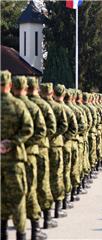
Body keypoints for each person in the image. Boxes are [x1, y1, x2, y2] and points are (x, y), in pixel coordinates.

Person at [12, 76, 48, 240]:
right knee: (33, 187)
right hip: (33, 152)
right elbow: (44, 130)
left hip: (9, 155)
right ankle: (35, 229)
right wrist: (27, 143)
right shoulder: (36, 107)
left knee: (11, 192)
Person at [1, 71, 34, 240]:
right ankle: (21, 235)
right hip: (14, 161)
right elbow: (29, 129)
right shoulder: (18, 106)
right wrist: (12, 143)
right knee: (18, 200)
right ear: (10, 86)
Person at [27, 77, 58, 229]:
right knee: (44, 181)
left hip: (18, 151)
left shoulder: (21, 104)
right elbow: (50, 128)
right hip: (42, 149)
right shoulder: (45, 106)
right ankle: (44, 220)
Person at [40, 83, 69, 219]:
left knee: (41, 178)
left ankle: (41, 211)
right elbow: (64, 126)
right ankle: (56, 210)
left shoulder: (36, 106)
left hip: (39, 146)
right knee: (57, 175)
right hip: (56, 145)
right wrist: (56, 136)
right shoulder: (58, 108)